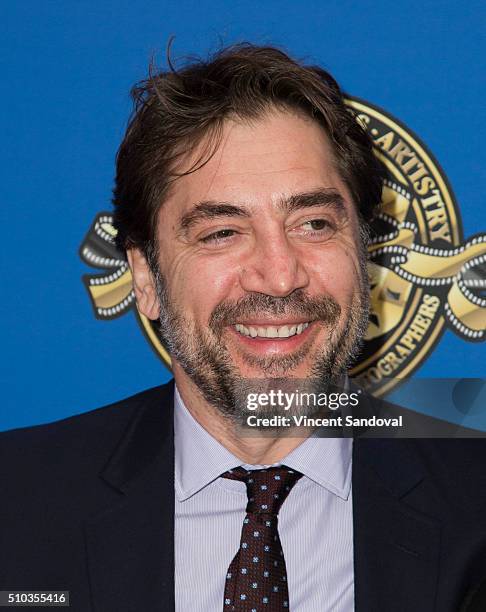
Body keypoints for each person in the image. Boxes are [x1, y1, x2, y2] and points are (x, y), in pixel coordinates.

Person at [1, 43, 485, 612]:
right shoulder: (16, 501)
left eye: (314, 223)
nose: (280, 277)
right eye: (221, 233)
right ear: (146, 276)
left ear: (364, 252)